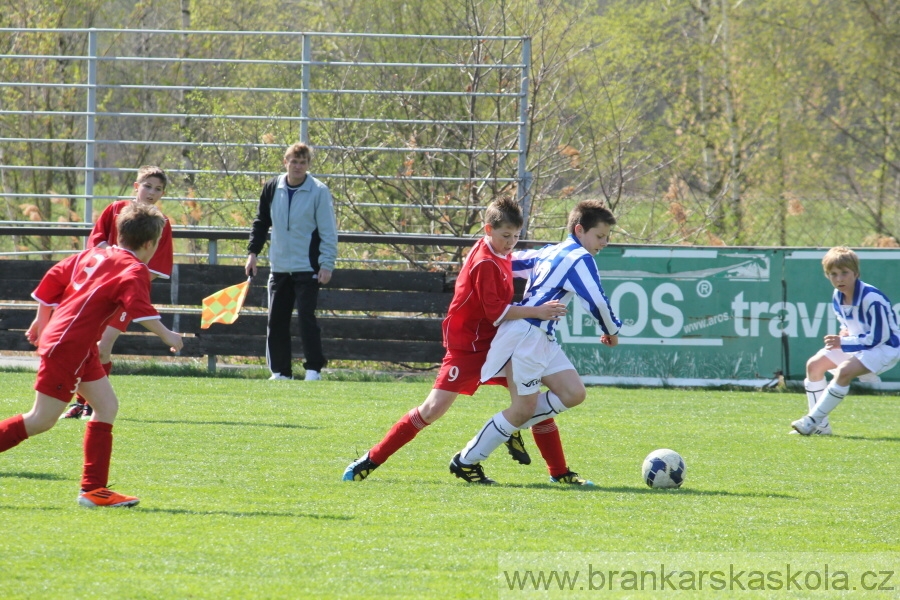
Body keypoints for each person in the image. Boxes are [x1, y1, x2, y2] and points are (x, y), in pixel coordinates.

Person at [344, 197, 592, 485]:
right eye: (505, 236)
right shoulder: (485, 262)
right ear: (488, 229)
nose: (511, 243)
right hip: (469, 346)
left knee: (531, 402)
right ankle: (372, 458)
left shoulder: (498, 249)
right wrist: (538, 311)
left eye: (516, 236)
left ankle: (558, 472)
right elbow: (496, 312)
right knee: (432, 409)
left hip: (499, 341)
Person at [0, 203, 183, 507]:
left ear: (121, 232)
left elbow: (52, 281)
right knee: (41, 419)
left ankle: (93, 490)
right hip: (69, 346)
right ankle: (91, 489)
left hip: (78, 345)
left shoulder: (94, 253)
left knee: (107, 405)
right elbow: (139, 308)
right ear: (150, 244)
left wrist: (42, 321)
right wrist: (170, 336)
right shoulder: (134, 268)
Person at [449, 199, 621, 484]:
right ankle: (466, 461)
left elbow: (509, 263)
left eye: (607, 238)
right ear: (580, 230)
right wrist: (611, 331)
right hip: (526, 336)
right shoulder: (579, 258)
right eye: (600, 236)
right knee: (522, 409)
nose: (603, 243)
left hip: (541, 336)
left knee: (573, 393)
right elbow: (597, 301)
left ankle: (512, 425)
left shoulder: (551, 251)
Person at [60, 165, 174, 420]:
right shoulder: (114, 210)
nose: (151, 192)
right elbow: (95, 247)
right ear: (136, 187)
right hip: (97, 292)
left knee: (102, 346)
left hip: (124, 295)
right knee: (88, 346)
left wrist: (124, 281)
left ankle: (92, 404)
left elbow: (156, 269)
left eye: (158, 189)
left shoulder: (161, 225)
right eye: (147, 186)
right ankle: (81, 403)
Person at [245, 143, 338, 381]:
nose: (298, 166)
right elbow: (261, 222)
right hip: (279, 267)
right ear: (285, 162)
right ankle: (280, 372)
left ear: (308, 165)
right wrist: (252, 252)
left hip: (308, 267)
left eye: (303, 162)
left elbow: (328, 230)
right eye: (293, 161)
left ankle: (313, 369)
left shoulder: (318, 191)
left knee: (306, 318)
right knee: (276, 320)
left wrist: (326, 263)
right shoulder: (272, 187)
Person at [791, 246, 900, 435]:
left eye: (844, 273)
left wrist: (844, 343)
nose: (839, 279)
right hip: (859, 344)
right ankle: (821, 428)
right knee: (814, 365)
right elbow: (848, 325)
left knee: (843, 372)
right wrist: (843, 334)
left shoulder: (872, 298)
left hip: (885, 348)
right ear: (827, 276)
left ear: (856, 273)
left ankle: (811, 420)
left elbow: (878, 337)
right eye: (833, 274)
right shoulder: (837, 296)